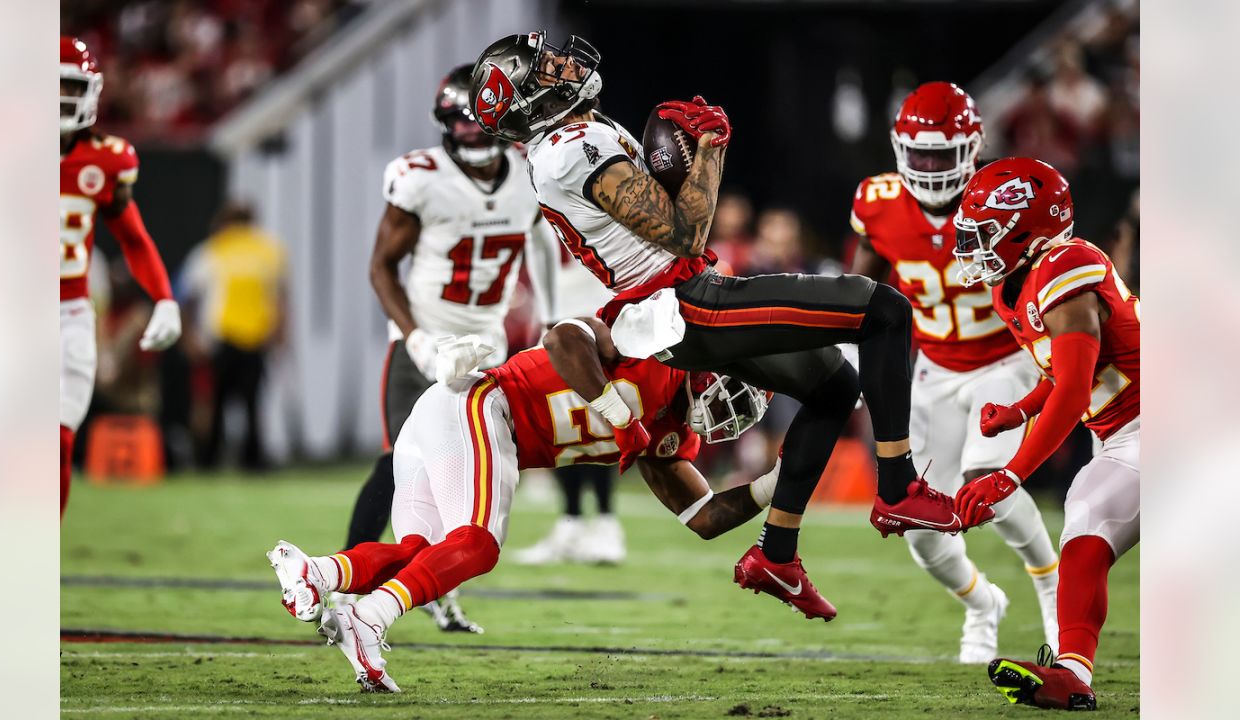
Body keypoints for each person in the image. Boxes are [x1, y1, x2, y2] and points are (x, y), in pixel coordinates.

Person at [468, 31, 983, 620]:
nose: (562, 64)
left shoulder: (572, 139)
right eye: (545, 67)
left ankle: (777, 556)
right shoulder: (567, 147)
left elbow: (662, 212)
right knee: (886, 309)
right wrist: (711, 147)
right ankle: (898, 488)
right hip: (684, 302)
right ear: (528, 99)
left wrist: (678, 155)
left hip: (676, 303)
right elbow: (684, 233)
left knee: (836, 386)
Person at [267, 319, 781, 692]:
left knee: (422, 555)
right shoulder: (652, 345)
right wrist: (619, 415)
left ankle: (317, 572)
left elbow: (705, 517)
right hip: (484, 404)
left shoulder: (668, 435)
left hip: (454, 419)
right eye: (731, 392)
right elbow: (562, 338)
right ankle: (370, 618)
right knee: (479, 546)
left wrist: (774, 484)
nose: (728, 413)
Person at [343, 64, 560, 630]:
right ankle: (346, 585)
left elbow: (543, 245)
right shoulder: (420, 177)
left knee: (465, 483)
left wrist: (551, 317)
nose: (469, 133)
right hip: (424, 343)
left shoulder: (528, 175)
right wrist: (415, 338)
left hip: (484, 351)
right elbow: (380, 267)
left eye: (479, 121)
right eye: (458, 122)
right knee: (399, 465)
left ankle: (436, 591)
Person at [848, 82, 1059, 664]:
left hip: (1005, 357)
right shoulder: (878, 201)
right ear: (899, 149)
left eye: (944, 155)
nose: (932, 168)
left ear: (974, 146)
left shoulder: (1007, 195)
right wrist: (843, 353)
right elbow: (861, 292)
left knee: (984, 478)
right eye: (922, 155)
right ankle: (982, 605)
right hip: (934, 368)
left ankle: (1052, 590)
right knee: (918, 522)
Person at [949, 158, 1139, 711]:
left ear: (1027, 228)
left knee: (1088, 509)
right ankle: (1073, 672)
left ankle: (1074, 671)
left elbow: (1077, 388)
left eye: (983, 233)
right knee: (1087, 521)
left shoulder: (1065, 265)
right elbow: (1064, 371)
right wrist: (1020, 410)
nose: (971, 246)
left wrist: (1009, 474)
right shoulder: (1016, 284)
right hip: (1129, 429)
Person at [60, 36, 182, 516]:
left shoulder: (105, 161)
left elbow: (133, 238)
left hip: (66, 314)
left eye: (67, 89)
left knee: (59, 443)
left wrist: (165, 298)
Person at [513, 250, 625, 567]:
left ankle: (605, 523)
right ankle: (572, 520)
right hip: (559, 313)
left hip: (595, 315)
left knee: (601, 423)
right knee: (565, 424)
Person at [180, 201, 287, 471]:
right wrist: (280, 332)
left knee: (213, 402)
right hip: (255, 338)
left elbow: (186, 295)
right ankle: (253, 461)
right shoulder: (269, 250)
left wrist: (190, 336)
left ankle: (208, 460)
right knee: (252, 405)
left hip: (220, 338)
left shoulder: (212, 250)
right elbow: (280, 297)